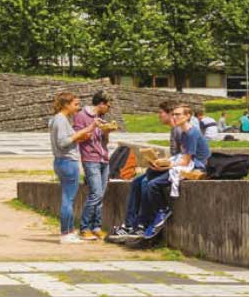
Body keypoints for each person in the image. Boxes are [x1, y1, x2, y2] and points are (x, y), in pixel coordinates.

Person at [110, 101, 178, 240]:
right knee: (136, 182)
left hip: (177, 168)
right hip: (171, 165)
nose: (159, 116)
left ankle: (142, 224)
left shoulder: (180, 131)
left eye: (161, 113)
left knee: (146, 182)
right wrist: (157, 161)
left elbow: (186, 158)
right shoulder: (174, 131)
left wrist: (164, 164)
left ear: (170, 114)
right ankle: (130, 224)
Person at [140, 105, 210, 237]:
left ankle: (162, 211)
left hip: (195, 167)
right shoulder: (184, 133)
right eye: (174, 114)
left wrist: (166, 166)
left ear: (188, 116)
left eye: (178, 114)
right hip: (186, 164)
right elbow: (182, 157)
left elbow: (186, 161)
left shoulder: (191, 133)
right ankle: (146, 219)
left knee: (152, 185)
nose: (174, 117)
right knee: (149, 175)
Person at [50, 91, 102, 244]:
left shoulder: (60, 119)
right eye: (76, 104)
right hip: (67, 162)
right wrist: (88, 128)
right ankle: (66, 233)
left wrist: (80, 136)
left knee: (68, 198)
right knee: (68, 199)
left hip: (62, 161)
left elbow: (69, 139)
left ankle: (69, 232)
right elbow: (63, 142)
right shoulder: (60, 119)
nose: (78, 107)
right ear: (66, 105)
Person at [72, 90, 117, 241]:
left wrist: (106, 132)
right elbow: (78, 137)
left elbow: (103, 142)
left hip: (104, 158)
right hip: (90, 159)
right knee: (95, 194)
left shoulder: (101, 117)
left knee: (100, 195)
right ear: (101, 103)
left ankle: (96, 226)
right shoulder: (81, 116)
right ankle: (84, 228)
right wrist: (92, 127)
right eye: (108, 106)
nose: (109, 109)